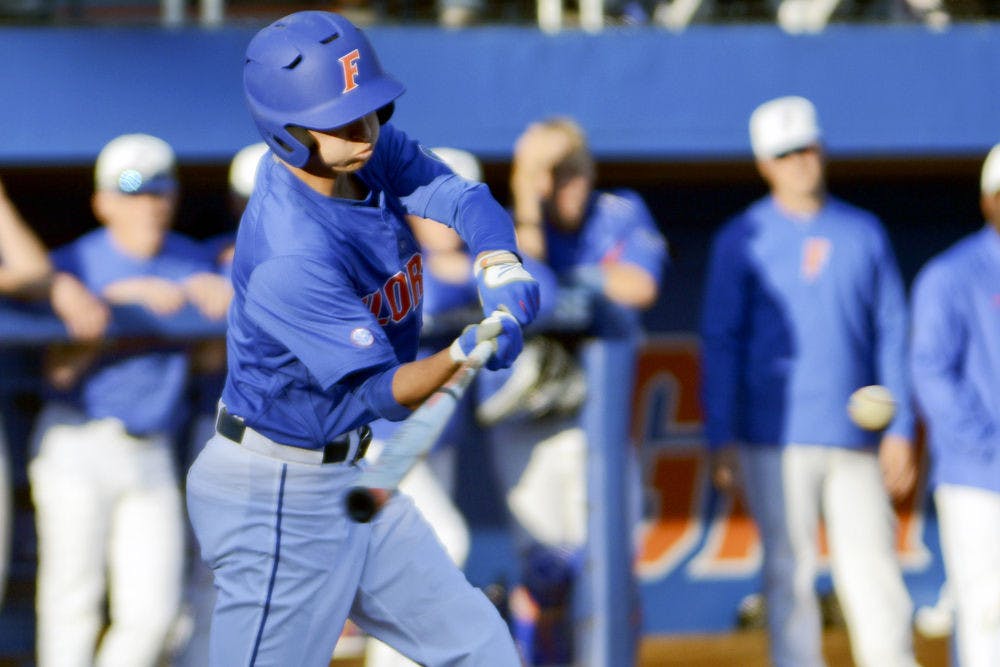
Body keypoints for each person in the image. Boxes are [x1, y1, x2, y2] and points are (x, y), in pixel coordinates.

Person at [184, 11, 539, 667]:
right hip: (275, 490)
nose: (366, 129)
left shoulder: (359, 153)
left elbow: (460, 197)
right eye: (343, 118)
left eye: (372, 108)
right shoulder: (291, 252)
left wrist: (500, 262)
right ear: (286, 134)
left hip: (347, 471)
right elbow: (382, 391)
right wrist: (463, 353)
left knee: (482, 648)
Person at [700, 95, 918, 667]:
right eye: (786, 152)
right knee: (787, 569)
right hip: (773, 435)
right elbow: (721, 342)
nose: (801, 161)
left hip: (856, 433)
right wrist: (720, 434)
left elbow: (893, 332)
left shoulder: (863, 232)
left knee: (872, 566)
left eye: (808, 147)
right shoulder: (741, 238)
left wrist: (900, 428)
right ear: (765, 164)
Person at [27, 132, 231, 667]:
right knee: (72, 601)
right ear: (103, 201)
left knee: (153, 614)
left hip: (152, 445)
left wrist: (218, 302)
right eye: (132, 189)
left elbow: (210, 363)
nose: (149, 203)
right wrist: (118, 303)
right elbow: (61, 372)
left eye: (160, 190)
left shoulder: (190, 258)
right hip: (79, 438)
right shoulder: (74, 264)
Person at [493, 116, 667, 666]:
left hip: (599, 414)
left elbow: (639, 285)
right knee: (546, 573)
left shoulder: (621, 211)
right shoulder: (512, 221)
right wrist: (526, 192)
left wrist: (572, 280)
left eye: (574, 171)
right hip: (530, 415)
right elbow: (525, 284)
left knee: (612, 565)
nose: (567, 185)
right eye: (553, 174)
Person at [910, 142, 1000, 667]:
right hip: (979, 478)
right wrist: (991, 445)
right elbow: (930, 373)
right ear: (989, 201)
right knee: (987, 612)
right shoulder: (953, 274)